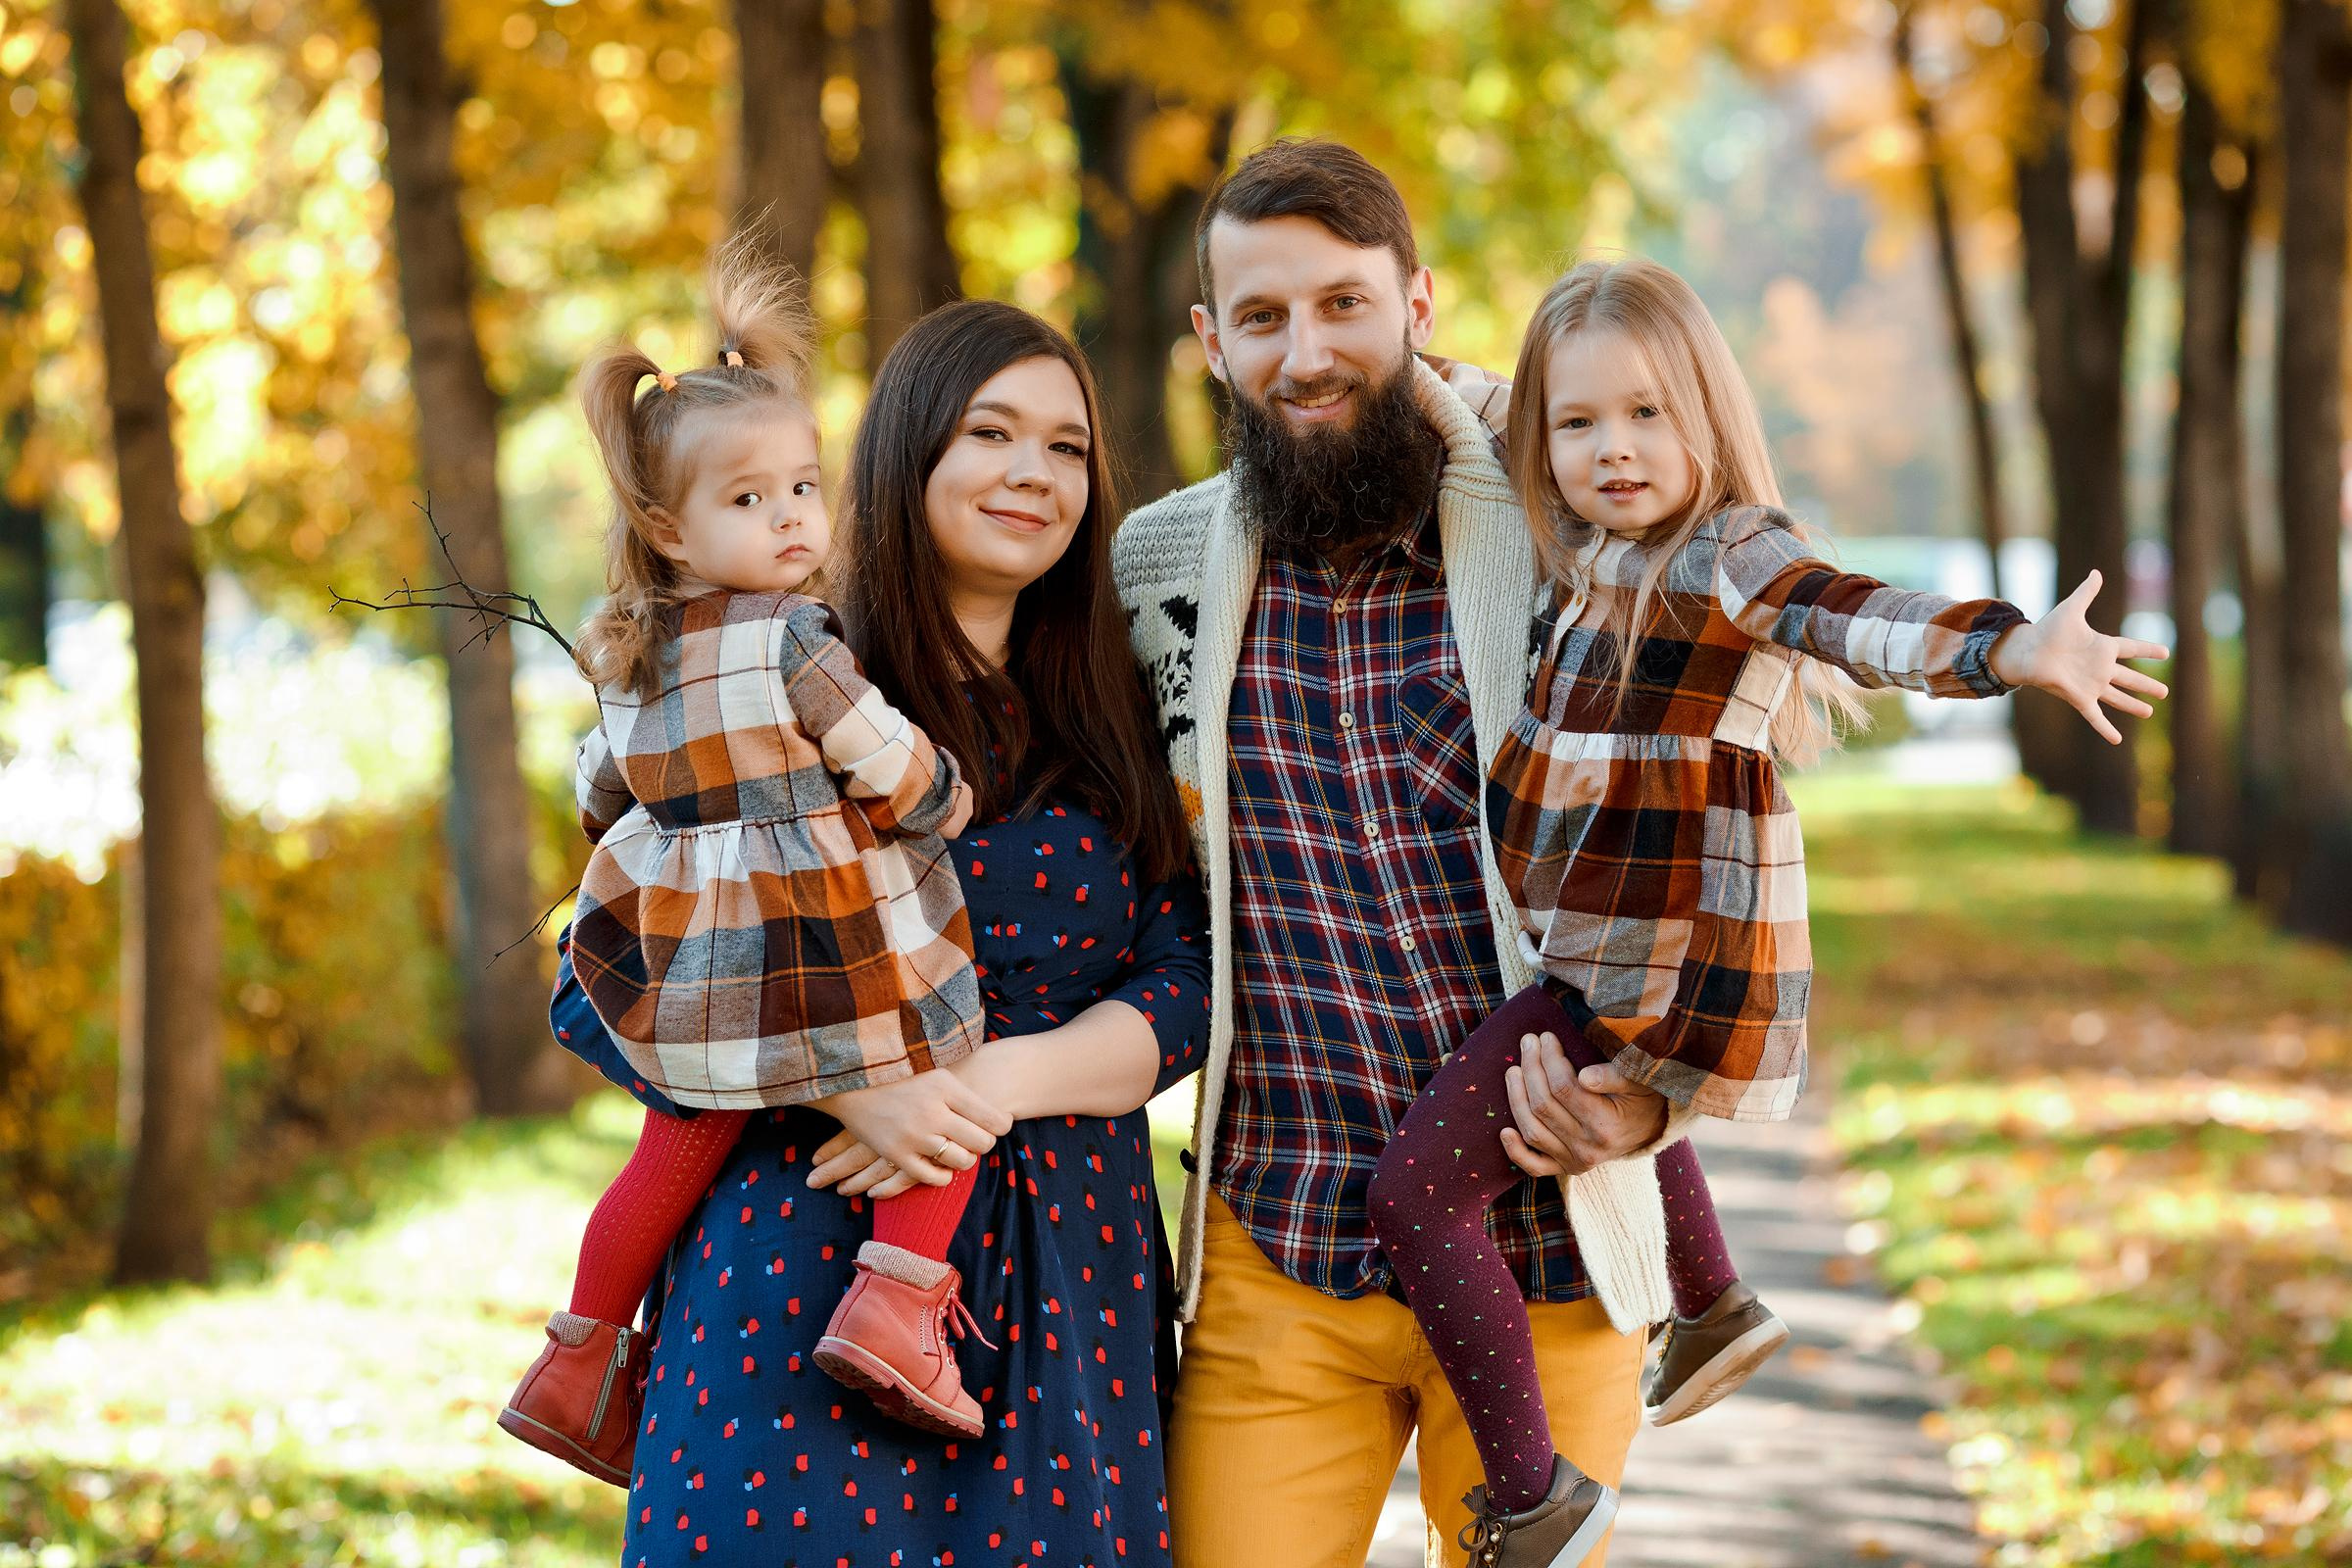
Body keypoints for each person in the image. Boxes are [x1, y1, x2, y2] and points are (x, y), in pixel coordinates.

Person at [1363, 254, 2172, 1564]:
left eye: (1648, 415)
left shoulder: (1729, 552)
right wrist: (1380, 357)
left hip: (1659, 964)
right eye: (1580, 423)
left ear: (1708, 416)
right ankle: (1713, 1302)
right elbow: (1487, 404)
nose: (1613, 449)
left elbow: (1859, 617)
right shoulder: (1583, 540)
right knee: (1571, 1074)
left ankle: (1531, 1497)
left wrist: (2010, 648)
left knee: (1414, 1198)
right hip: (1596, 949)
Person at [549, 295, 1211, 1568]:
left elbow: (1187, 982)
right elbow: (601, 975)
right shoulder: (766, 670)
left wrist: (992, 1079)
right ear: (907, 454)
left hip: (1073, 1298)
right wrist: (847, 1085)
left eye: (1066, 447)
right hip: (797, 1274)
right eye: (991, 433)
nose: (1032, 473)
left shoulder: (1117, 702)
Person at [1113, 138, 1688, 1568]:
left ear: (1419, 305)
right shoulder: (1153, 573)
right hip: (1273, 1246)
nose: (1306, 353)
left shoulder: (1560, 523)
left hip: (1543, 1253)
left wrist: (1651, 1106)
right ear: (1210, 342)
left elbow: (1711, 844)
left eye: (1342, 305)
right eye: (1261, 317)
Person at [501, 239, 1011, 1481]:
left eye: (801, 488)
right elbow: (884, 763)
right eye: (750, 500)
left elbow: (598, 789)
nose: (790, 518)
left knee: (672, 1144)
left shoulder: (626, 655)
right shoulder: (796, 641)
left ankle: (575, 1365)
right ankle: (897, 1306)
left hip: (701, 982)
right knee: (942, 1085)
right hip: (835, 945)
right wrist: (946, 793)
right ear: (669, 528)